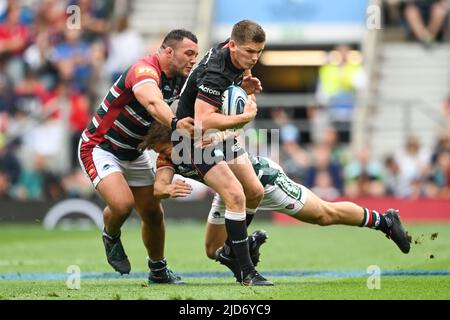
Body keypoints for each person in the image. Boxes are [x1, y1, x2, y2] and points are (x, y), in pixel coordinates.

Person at [142, 122, 411, 283]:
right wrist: (166, 189)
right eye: (160, 152)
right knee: (213, 250)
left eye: (164, 149)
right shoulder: (170, 154)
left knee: (324, 214)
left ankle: (384, 221)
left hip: (263, 182)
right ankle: (248, 244)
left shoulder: (201, 141)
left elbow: (232, 136)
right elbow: (159, 185)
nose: (164, 155)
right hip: (229, 194)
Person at [77, 29, 198, 284]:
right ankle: (110, 234)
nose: (193, 59)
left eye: (196, 55)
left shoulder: (179, 78)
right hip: (101, 146)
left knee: (154, 213)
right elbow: (153, 104)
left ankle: (158, 270)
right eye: (188, 53)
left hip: (134, 151)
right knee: (122, 204)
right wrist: (177, 124)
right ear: (168, 52)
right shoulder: (143, 70)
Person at [173, 20, 270, 286]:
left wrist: (241, 90)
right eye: (249, 51)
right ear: (232, 45)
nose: (254, 57)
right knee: (235, 195)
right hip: (191, 142)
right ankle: (247, 271)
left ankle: (229, 250)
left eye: (259, 51)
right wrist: (244, 117)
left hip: (217, 138)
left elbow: (222, 97)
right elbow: (203, 118)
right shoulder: (216, 71)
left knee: (255, 191)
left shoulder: (235, 59)